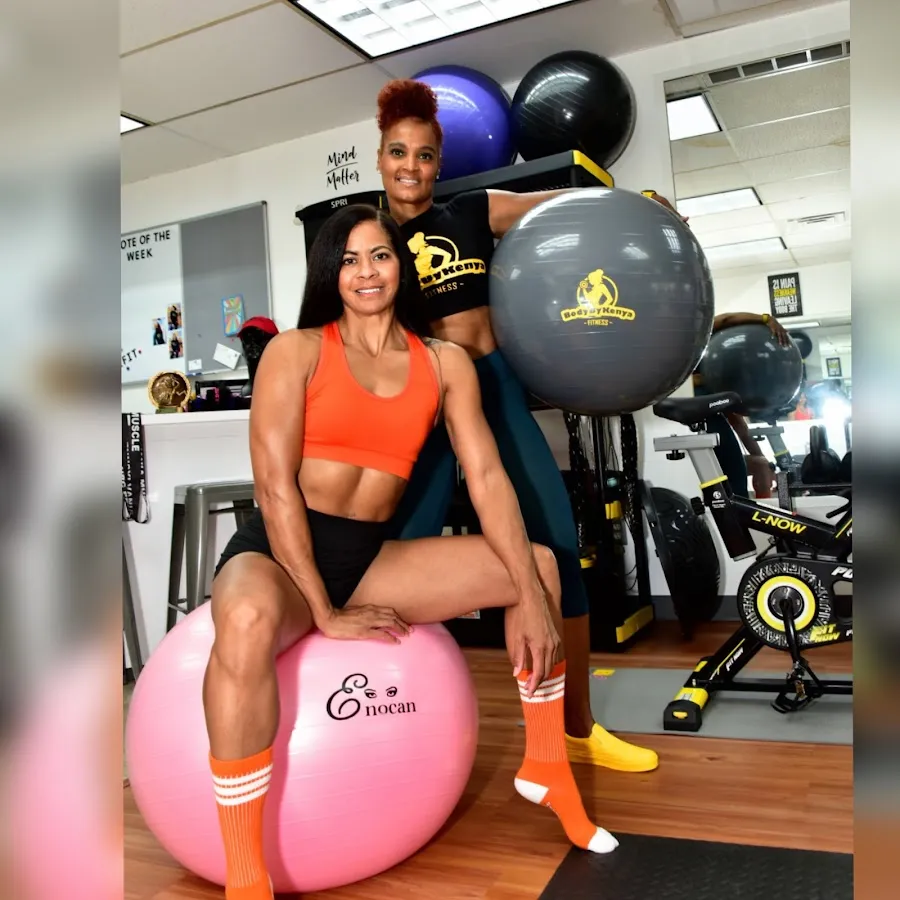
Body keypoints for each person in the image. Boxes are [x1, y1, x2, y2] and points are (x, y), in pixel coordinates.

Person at [203, 204, 618, 900]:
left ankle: (547, 764)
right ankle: (247, 875)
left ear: (403, 264)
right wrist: (324, 612)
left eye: (380, 255)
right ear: (331, 274)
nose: (366, 272)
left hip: (367, 557)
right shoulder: (296, 351)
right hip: (277, 556)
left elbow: (486, 478)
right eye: (349, 260)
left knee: (540, 568)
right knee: (243, 622)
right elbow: (273, 490)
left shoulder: (444, 363)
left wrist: (529, 595)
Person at [374, 78, 661, 773]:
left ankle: (578, 728)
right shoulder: (370, 242)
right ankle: (386, 732)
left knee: (557, 550)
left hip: (495, 389)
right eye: (398, 153)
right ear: (380, 158)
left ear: (439, 164)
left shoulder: (472, 211)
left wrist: (635, 206)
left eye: (424, 155)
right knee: (394, 562)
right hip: (419, 401)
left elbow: (560, 207)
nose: (411, 167)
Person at [694, 311, 790, 498]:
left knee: (759, 465)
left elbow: (739, 425)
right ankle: (738, 507)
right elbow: (725, 319)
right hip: (695, 424)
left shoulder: (719, 388)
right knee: (734, 477)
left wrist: (763, 459)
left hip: (711, 416)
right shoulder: (688, 344)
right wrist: (766, 319)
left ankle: (756, 508)